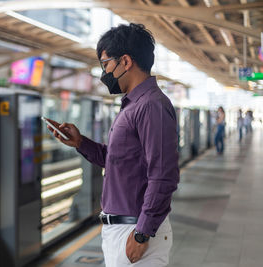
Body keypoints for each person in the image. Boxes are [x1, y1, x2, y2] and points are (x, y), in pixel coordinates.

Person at [46, 23, 179, 266]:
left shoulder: (151, 106)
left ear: (125, 61)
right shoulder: (134, 105)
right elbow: (119, 161)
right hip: (122, 229)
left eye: (105, 63)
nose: (103, 72)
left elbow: (163, 176)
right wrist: (80, 143)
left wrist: (142, 233)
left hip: (135, 230)